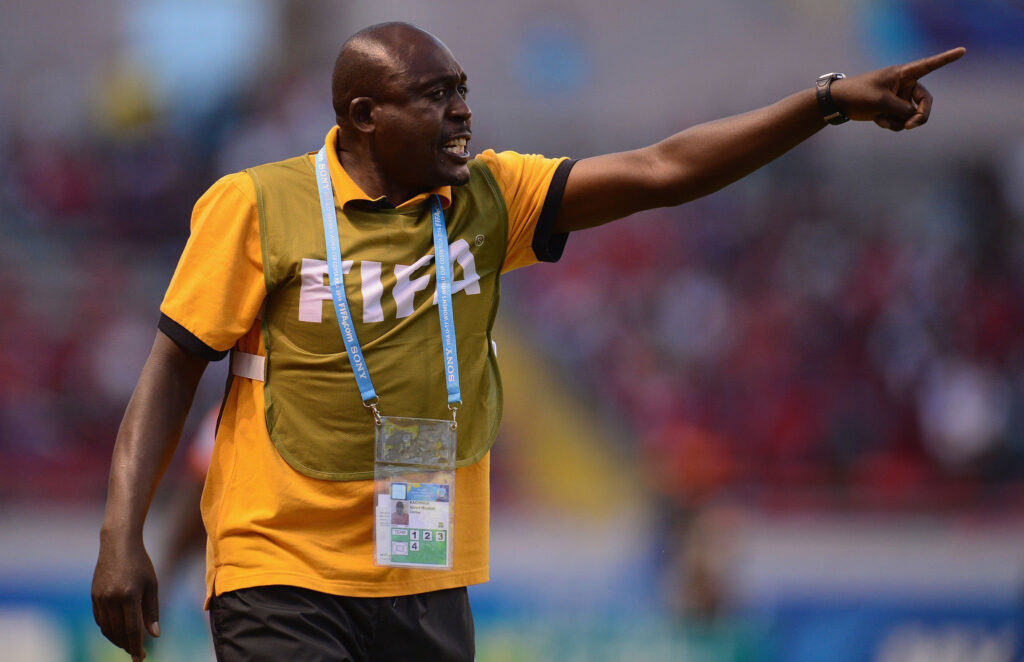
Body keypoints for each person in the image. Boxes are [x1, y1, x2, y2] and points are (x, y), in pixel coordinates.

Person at [91, 21, 964, 662]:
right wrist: (120, 535)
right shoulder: (255, 205)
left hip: (421, 566)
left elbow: (663, 169)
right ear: (362, 116)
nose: (464, 113)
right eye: (436, 97)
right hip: (275, 564)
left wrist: (824, 104)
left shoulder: (489, 198)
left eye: (464, 89)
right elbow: (170, 371)